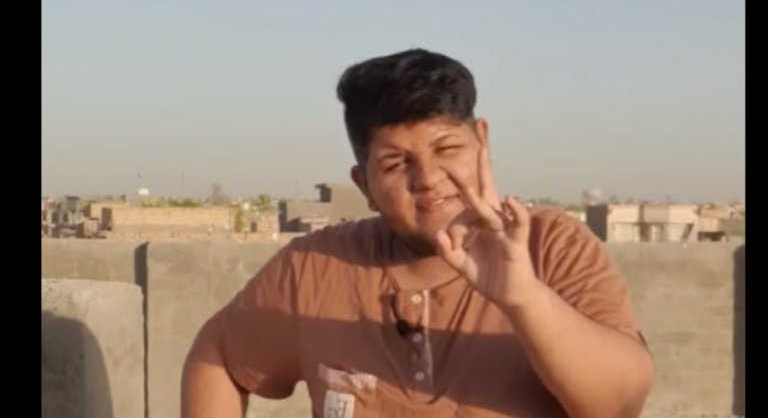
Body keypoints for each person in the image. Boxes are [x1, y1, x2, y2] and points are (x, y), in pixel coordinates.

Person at [181, 49, 654, 418]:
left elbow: (616, 406)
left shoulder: (550, 246)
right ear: (364, 185)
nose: (428, 178)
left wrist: (524, 298)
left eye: (446, 149)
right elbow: (218, 354)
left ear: (482, 143)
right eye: (395, 163)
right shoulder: (313, 267)